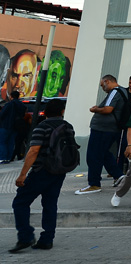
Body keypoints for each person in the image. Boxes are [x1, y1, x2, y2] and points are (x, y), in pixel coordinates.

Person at [9, 99, 71, 252]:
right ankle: (47, 239)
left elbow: (33, 151)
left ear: (46, 112)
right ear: (62, 111)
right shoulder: (68, 127)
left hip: (41, 171)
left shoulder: (41, 127)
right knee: (50, 205)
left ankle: (26, 236)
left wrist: (22, 174)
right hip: (59, 171)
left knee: (20, 202)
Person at [75, 74, 126, 195]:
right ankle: (118, 175)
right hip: (110, 128)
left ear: (107, 81)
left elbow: (108, 109)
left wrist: (95, 109)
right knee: (103, 153)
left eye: (102, 85)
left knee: (93, 155)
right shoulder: (123, 91)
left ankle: (94, 184)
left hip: (104, 129)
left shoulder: (115, 91)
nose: (102, 88)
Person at [0, 90, 26, 163]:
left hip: (6, 125)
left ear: (11, 96)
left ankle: (3, 157)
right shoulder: (22, 105)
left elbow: (2, 114)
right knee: (11, 142)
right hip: (16, 127)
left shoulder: (9, 104)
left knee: (2, 142)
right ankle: (8, 158)